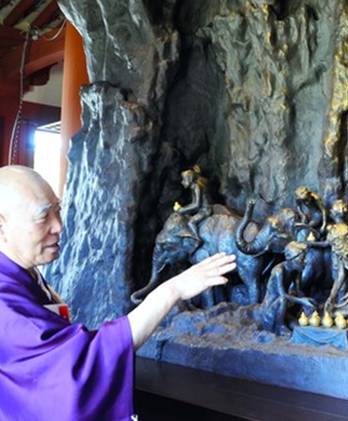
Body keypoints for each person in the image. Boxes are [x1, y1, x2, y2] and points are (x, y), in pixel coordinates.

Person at [0, 166, 236, 420]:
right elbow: (75, 367)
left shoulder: (25, 276)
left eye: (57, 209)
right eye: (43, 216)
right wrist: (171, 290)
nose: (58, 225)